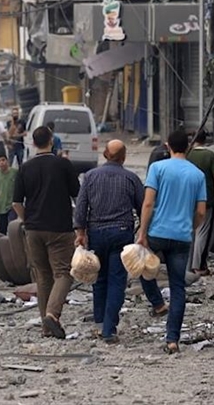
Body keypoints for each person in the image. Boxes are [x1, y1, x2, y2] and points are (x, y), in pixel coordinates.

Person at [137, 129, 207, 354]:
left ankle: (158, 303)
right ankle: (172, 339)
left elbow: (148, 203)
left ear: (168, 146)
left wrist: (142, 233)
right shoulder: (197, 175)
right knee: (178, 287)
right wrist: (190, 227)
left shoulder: (157, 168)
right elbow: (201, 212)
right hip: (181, 237)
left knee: (143, 270)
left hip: (157, 232)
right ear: (187, 147)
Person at [12, 126, 80, 339]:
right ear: (52, 141)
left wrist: (27, 220)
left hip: (33, 230)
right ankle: (52, 314)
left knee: (42, 276)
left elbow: (16, 203)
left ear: (33, 143)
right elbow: (77, 194)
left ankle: (46, 327)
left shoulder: (25, 168)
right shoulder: (63, 164)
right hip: (60, 228)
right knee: (64, 273)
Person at [73, 140, 144, 343]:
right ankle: (109, 329)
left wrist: (80, 232)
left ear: (105, 154)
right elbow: (142, 207)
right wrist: (143, 232)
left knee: (98, 278)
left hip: (96, 232)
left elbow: (81, 206)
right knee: (117, 281)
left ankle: (99, 323)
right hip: (121, 233)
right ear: (124, 157)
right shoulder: (131, 178)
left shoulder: (90, 176)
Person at [185, 130, 214, 275]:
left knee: (190, 232)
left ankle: (187, 265)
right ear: (205, 140)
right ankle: (198, 266)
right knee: (203, 232)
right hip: (206, 200)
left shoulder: (187, 155)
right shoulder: (210, 155)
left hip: (188, 199)